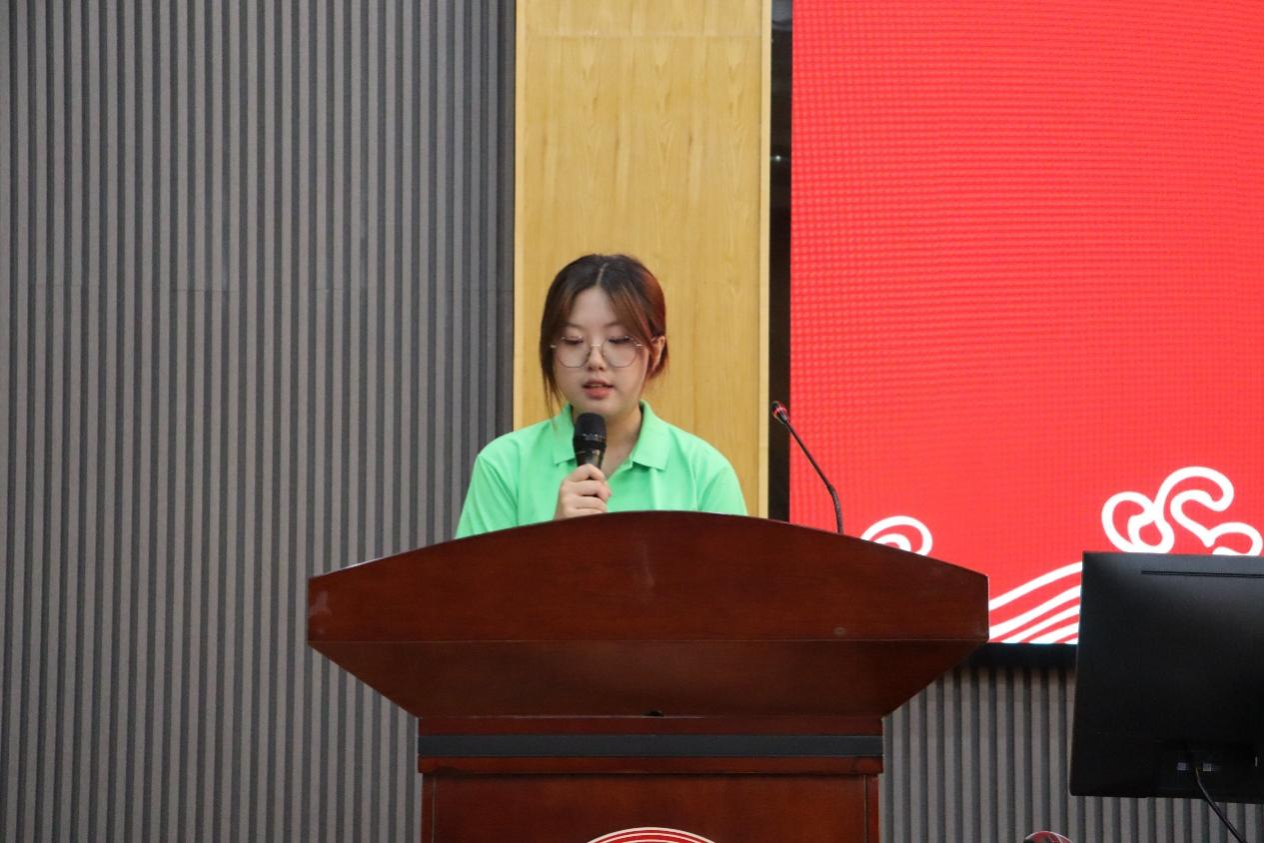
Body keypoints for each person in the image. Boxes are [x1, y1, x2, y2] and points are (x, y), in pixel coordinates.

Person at [455, 253, 747, 538]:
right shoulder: (504, 465)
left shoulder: (704, 473)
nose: (595, 360)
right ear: (550, 349)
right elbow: (474, 574)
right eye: (574, 341)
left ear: (655, 351)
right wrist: (553, 541)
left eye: (618, 340)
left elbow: (735, 572)